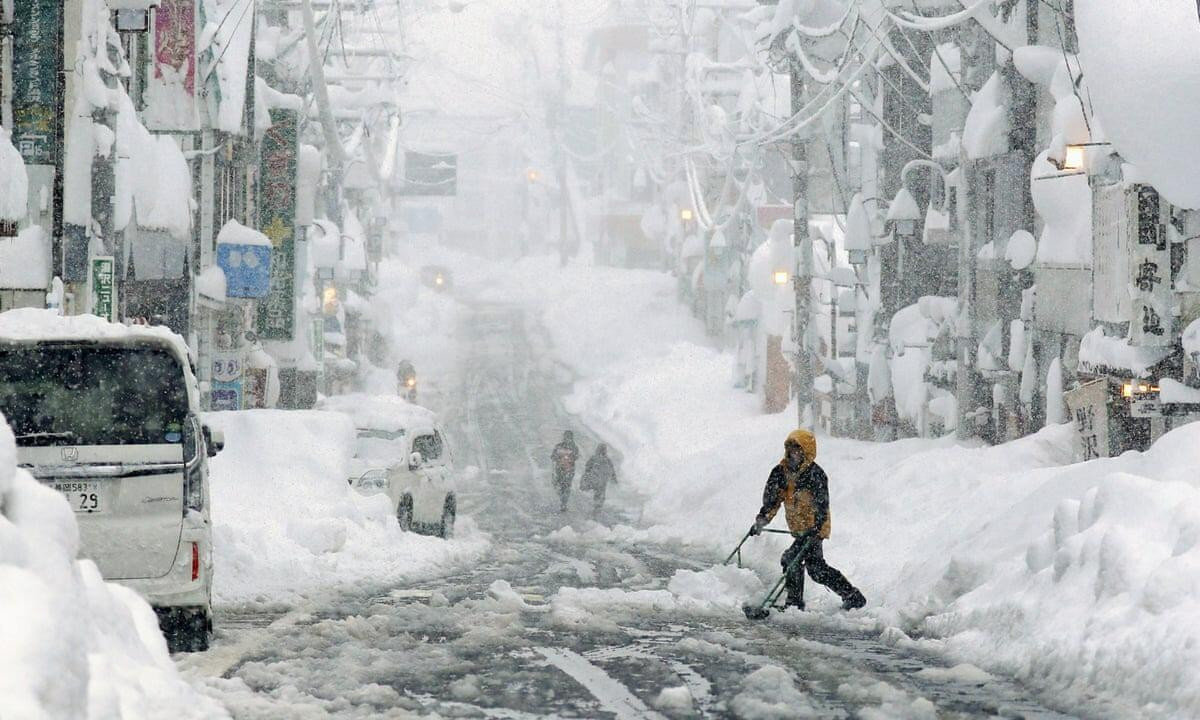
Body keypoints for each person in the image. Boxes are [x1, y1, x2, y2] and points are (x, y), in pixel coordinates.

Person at [750, 429, 866, 611]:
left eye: (797, 449)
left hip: (814, 529)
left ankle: (794, 603)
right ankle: (852, 596)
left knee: (791, 559)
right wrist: (762, 519)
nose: (792, 454)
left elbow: (822, 505)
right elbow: (772, 501)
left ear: (806, 451)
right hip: (800, 529)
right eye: (790, 449)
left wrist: (817, 528)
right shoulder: (780, 473)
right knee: (817, 570)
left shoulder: (815, 475)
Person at [580, 443, 616, 515]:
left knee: (596, 492)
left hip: (594, 479)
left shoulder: (593, 458)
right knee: (599, 495)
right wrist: (614, 478)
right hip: (602, 481)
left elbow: (587, 468)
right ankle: (597, 508)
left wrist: (585, 477)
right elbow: (612, 470)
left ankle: (595, 507)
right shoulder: (607, 460)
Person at [550, 431, 580, 512]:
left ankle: (563, 501)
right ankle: (564, 502)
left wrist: (559, 457)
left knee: (561, 485)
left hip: (561, 469)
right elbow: (576, 457)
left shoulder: (559, 446)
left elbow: (552, 457)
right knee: (566, 487)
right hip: (569, 470)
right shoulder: (574, 447)